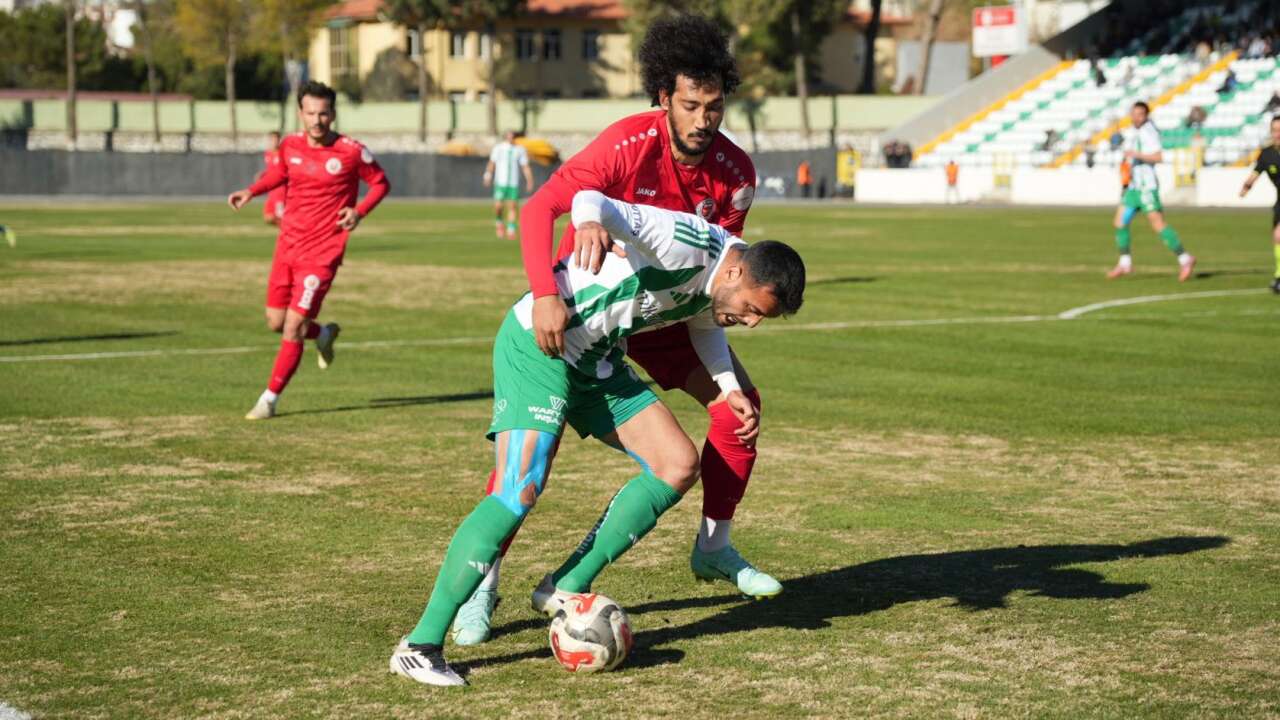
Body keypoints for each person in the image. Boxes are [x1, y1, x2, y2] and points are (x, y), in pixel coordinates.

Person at [443, 14, 777, 648]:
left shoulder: (736, 175)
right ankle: (484, 580)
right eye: (691, 105)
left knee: (739, 407)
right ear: (662, 98)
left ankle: (715, 548)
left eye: (715, 105)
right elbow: (543, 206)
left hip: (666, 316)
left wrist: (726, 374)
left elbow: (721, 275)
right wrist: (546, 294)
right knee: (534, 456)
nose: (705, 118)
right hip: (589, 316)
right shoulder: (625, 144)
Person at [389, 190, 806, 687]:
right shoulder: (684, 240)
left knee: (677, 464)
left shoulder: (720, 280)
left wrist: (730, 387)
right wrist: (587, 222)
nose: (752, 322)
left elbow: (702, 326)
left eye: (762, 317)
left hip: (595, 361)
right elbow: (591, 198)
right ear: (736, 273)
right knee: (518, 490)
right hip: (540, 344)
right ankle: (419, 646)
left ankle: (564, 587)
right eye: (751, 309)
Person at [227, 81, 391, 420]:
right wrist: (251, 191)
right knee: (275, 321)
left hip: (323, 252)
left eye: (324, 113)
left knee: (292, 327)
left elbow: (380, 183)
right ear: (301, 113)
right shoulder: (290, 145)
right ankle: (325, 332)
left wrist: (358, 212)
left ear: (333, 114)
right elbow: (279, 174)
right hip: (287, 246)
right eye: (311, 113)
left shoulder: (351, 151)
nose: (317, 120)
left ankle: (268, 400)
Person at [1107, 101, 1196, 282]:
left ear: (1146, 116)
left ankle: (1185, 258)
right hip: (1133, 188)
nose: (1135, 117)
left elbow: (1158, 156)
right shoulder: (1134, 131)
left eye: (1139, 114)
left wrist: (1136, 155)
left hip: (1147, 187)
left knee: (1158, 224)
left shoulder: (1149, 132)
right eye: (1133, 113)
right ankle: (1125, 263)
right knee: (1119, 222)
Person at [1238, 116, 1280, 294]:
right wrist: (1246, 187)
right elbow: (1256, 172)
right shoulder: (1267, 153)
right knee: (1277, 237)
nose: (1278, 134)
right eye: (1275, 130)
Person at [484, 130, 535, 239]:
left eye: (513, 136)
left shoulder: (520, 150)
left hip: (513, 182)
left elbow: (525, 166)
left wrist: (529, 180)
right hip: (500, 182)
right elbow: (492, 163)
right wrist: (487, 175)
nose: (511, 138)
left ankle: (511, 229)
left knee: (512, 206)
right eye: (509, 136)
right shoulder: (498, 149)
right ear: (505, 137)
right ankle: (499, 222)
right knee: (498, 206)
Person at [260, 131, 286, 226]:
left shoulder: (283, 154)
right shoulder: (268, 154)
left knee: (281, 217)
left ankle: (290, 232)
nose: (273, 141)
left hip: (281, 191)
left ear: (279, 140)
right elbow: (271, 170)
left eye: (275, 139)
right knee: (268, 217)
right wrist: (263, 175)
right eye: (271, 139)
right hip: (271, 191)